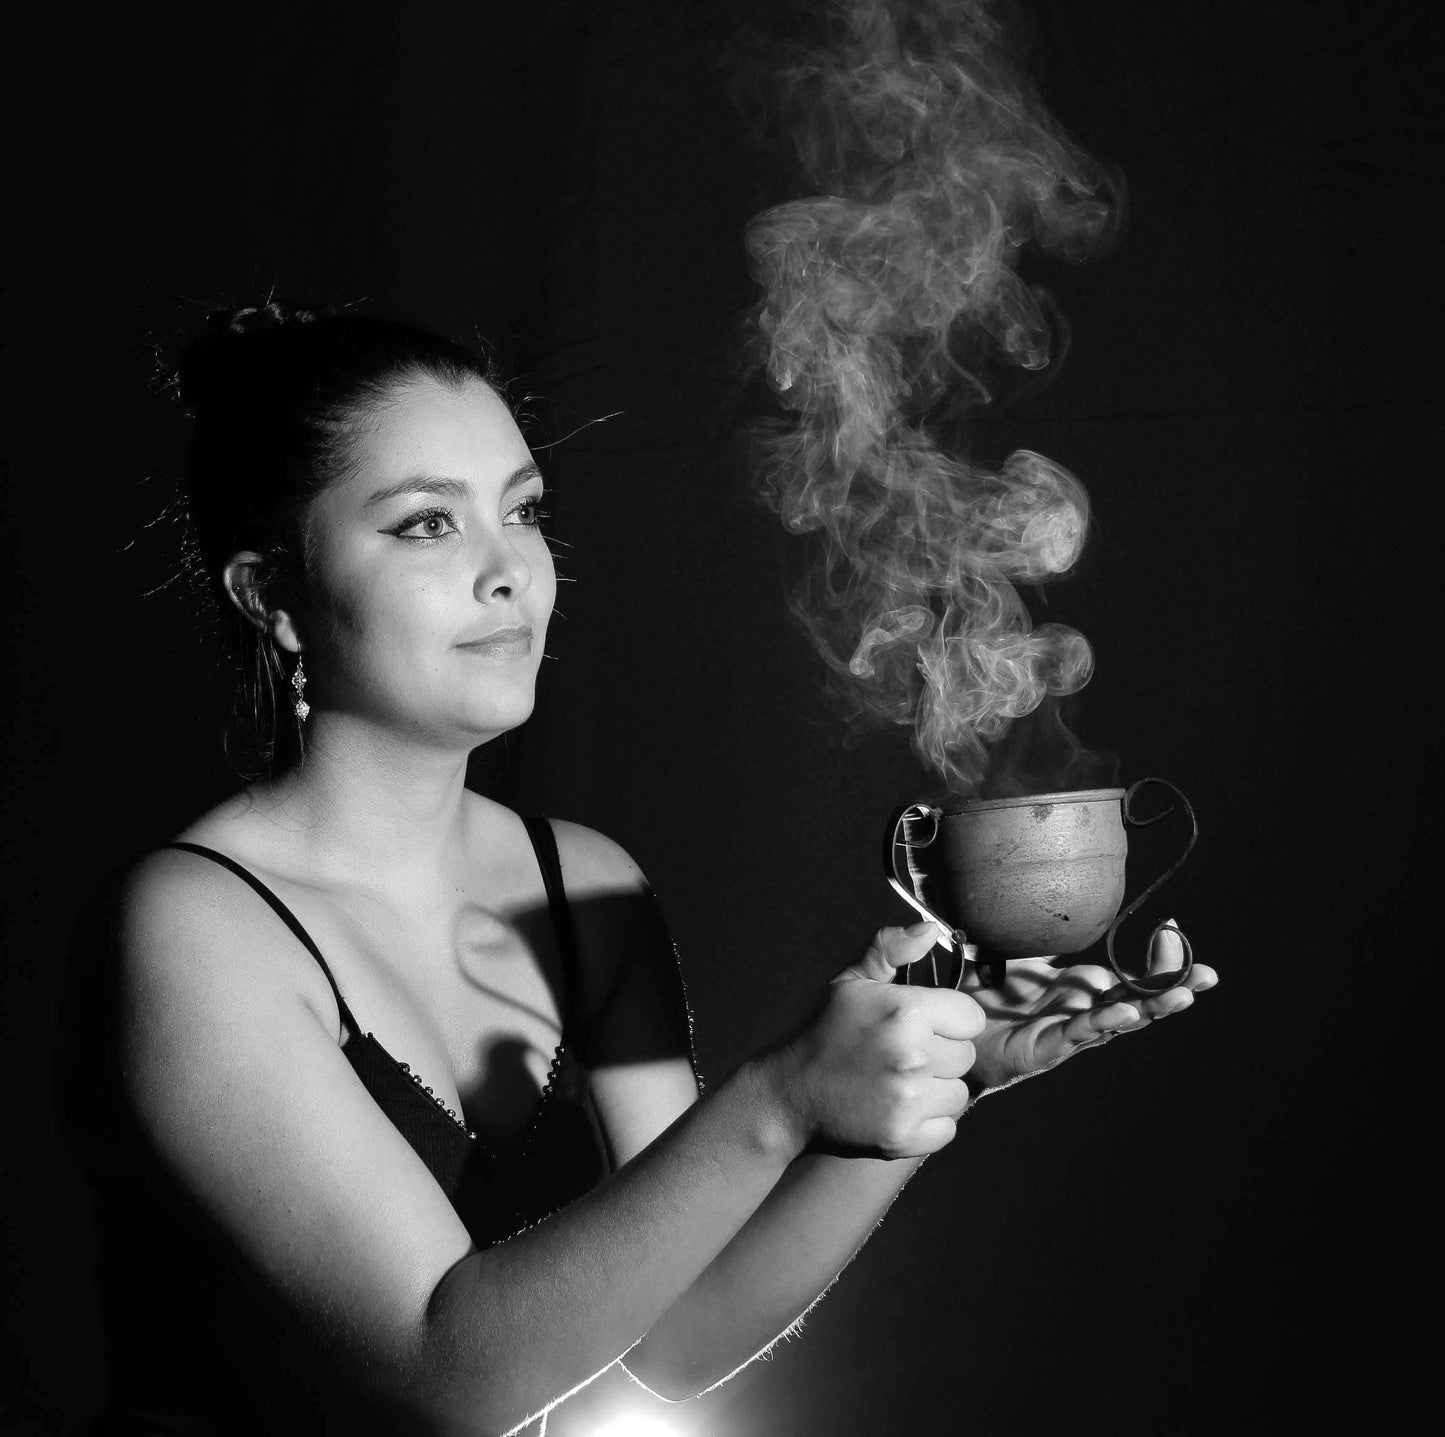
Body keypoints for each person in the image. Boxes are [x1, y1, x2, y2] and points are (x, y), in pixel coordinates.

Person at [59, 300, 1216, 1436]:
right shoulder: (193, 925)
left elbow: (675, 1336)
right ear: (272, 596)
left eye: (522, 510)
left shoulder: (586, 884)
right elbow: (446, 1372)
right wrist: (778, 1096)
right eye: (425, 524)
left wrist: (918, 1088)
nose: (509, 571)